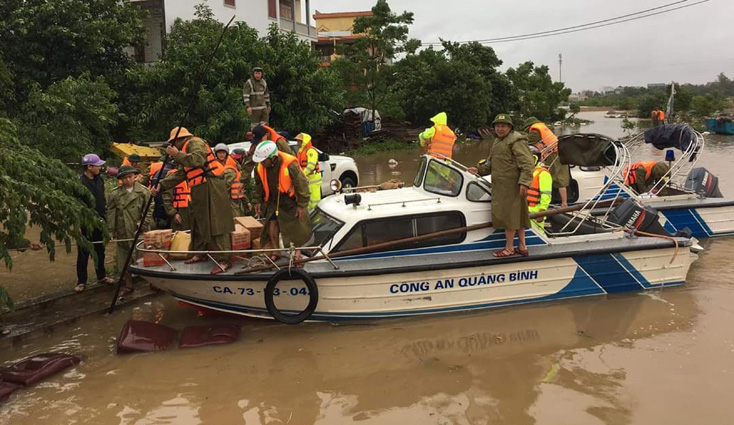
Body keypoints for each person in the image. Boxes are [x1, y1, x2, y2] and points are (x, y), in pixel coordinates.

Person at [152, 127, 234, 274]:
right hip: (198, 188)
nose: (172, 147)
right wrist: (161, 185)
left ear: (178, 140)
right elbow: (181, 173)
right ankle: (199, 253)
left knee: (217, 223)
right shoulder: (184, 152)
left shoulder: (194, 143)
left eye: (172, 143)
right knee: (197, 221)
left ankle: (224, 260)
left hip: (211, 186)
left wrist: (177, 154)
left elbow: (198, 160)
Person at [468, 114, 535, 258]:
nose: (500, 128)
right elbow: (491, 164)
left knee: (509, 217)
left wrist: (524, 182)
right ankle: (522, 246)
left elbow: (528, 164)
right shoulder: (498, 142)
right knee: (519, 215)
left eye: (503, 125)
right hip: (501, 186)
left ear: (510, 127)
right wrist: (478, 169)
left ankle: (509, 248)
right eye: (497, 126)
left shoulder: (516, 140)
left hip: (512, 186)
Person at [251, 141, 312, 261]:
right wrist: (257, 200)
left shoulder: (290, 164)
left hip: (289, 199)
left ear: (273, 158)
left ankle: (297, 253)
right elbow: (258, 185)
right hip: (273, 200)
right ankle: (276, 251)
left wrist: (301, 205)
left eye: (264, 161)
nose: (262, 163)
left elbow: (301, 184)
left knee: (295, 227)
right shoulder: (260, 167)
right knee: (271, 225)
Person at [107, 165, 152, 297]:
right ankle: (128, 285)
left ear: (135, 177)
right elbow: (111, 213)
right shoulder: (115, 193)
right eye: (124, 178)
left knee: (144, 257)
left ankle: (152, 282)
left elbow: (149, 208)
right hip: (122, 230)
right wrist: (111, 231)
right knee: (124, 260)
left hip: (139, 230)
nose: (127, 180)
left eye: (129, 177)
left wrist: (143, 223)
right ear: (120, 179)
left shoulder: (143, 192)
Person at [76, 153, 116, 292]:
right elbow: (77, 206)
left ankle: (101, 276)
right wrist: (78, 225)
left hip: (100, 220)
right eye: (97, 165)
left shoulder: (100, 180)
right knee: (83, 252)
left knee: (100, 250)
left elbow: (103, 200)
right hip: (86, 223)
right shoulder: (79, 183)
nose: (100, 167)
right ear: (89, 167)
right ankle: (81, 281)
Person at [523, 117, 571, 207]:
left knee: (559, 179)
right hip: (556, 152)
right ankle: (557, 201)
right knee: (554, 177)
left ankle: (564, 204)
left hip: (555, 154)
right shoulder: (541, 127)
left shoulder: (534, 130)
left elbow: (527, 143)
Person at [214, 143, 247, 218]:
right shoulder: (216, 166)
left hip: (235, 200)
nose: (221, 155)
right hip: (227, 200)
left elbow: (239, 187)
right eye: (219, 153)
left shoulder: (232, 166)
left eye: (223, 152)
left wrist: (246, 201)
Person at [527, 146, 553, 235]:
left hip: (535, 212)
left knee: (538, 234)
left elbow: (546, 194)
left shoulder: (543, 173)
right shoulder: (525, 173)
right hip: (524, 211)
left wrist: (542, 211)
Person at [295, 133, 322, 210]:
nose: (297, 143)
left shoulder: (311, 151)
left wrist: (302, 175)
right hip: (306, 180)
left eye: (299, 141)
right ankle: (310, 217)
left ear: (304, 141)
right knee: (308, 202)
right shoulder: (300, 152)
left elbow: (311, 166)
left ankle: (316, 219)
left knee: (315, 201)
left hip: (313, 180)